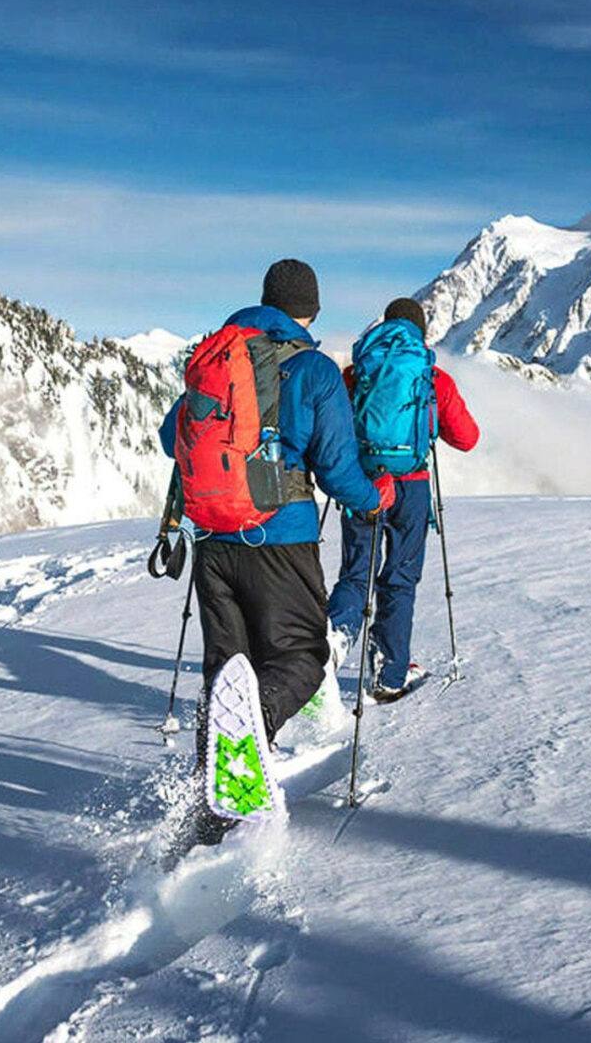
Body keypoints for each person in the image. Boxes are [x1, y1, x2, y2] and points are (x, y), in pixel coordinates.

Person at [158, 260, 394, 847]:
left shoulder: (216, 357)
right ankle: (245, 748)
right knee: (301, 658)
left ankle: (214, 808)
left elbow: (170, 437)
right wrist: (373, 500)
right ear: (310, 310)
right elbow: (337, 466)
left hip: (212, 538)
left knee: (226, 674)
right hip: (279, 538)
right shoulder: (312, 368)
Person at [327, 297, 479, 700]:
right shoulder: (431, 377)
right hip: (411, 488)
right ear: (421, 331)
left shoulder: (357, 373)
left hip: (364, 485)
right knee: (399, 577)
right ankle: (390, 673)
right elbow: (467, 438)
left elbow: (336, 427)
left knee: (356, 573)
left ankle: (331, 644)